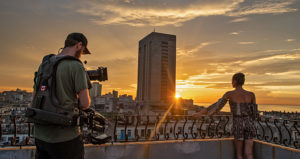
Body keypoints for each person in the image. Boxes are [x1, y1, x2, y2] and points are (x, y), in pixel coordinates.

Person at [33, 32, 91, 159]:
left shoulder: (45, 64)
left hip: (40, 134)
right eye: (83, 51)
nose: (81, 54)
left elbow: (36, 94)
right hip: (64, 137)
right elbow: (85, 103)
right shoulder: (76, 65)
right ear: (79, 45)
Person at [193, 73, 257, 159]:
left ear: (235, 81)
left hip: (238, 123)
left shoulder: (229, 94)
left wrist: (201, 113)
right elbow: (255, 113)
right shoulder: (251, 94)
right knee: (248, 153)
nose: (231, 82)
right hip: (249, 123)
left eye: (232, 80)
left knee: (239, 154)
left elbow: (216, 106)